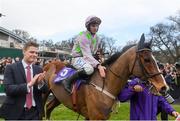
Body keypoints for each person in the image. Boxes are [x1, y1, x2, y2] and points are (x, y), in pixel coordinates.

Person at [0, 41, 48, 120]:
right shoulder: (11, 68)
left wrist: (40, 83)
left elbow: (45, 90)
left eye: (36, 53)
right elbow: (8, 89)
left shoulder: (39, 69)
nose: (34, 55)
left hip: (35, 112)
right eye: (31, 52)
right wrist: (29, 85)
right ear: (24, 51)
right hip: (16, 112)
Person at [62, 15, 106, 93]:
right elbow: (87, 55)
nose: (95, 28)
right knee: (89, 69)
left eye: (97, 26)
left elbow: (92, 53)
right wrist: (98, 65)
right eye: (93, 26)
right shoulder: (83, 36)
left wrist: (96, 56)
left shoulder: (97, 38)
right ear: (88, 26)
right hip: (77, 58)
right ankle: (67, 81)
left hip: (86, 59)